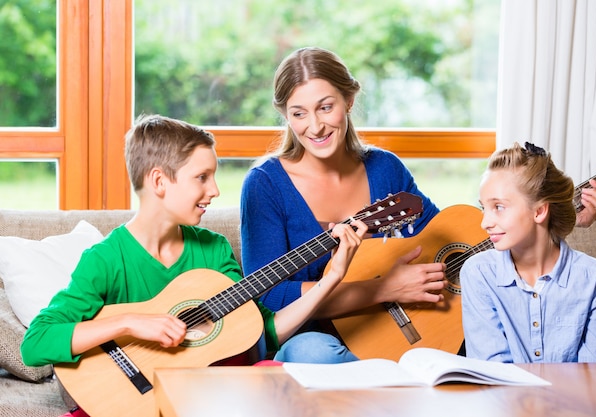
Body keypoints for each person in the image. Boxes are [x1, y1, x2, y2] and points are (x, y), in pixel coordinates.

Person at [240, 47, 596, 364]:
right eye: (298, 112)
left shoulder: (384, 169)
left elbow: (456, 241)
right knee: (313, 356)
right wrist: (383, 289)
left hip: (407, 331)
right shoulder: (265, 185)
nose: (315, 126)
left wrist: (561, 221)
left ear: (349, 101)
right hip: (320, 337)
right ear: (285, 115)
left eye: (326, 107)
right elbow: (270, 296)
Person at [20, 114, 367, 373]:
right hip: (146, 390)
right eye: (201, 177)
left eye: (213, 177)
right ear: (159, 181)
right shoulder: (106, 260)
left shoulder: (213, 249)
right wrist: (127, 323)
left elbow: (264, 334)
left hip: (218, 388)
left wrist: (331, 278)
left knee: (293, 359)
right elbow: (35, 345)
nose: (214, 190)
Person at [460, 141, 596, 368]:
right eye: (483, 207)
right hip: (503, 403)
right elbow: (492, 372)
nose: (485, 223)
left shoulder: (594, 277)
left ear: (540, 211)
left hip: (576, 403)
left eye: (499, 207)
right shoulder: (478, 273)